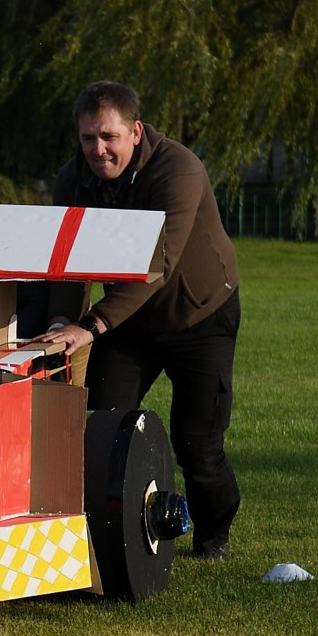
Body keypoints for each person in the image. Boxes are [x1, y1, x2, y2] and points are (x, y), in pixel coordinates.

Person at [26, 81, 242, 560]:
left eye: (108, 137)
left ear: (136, 132)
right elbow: (66, 258)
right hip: (130, 321)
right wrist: (64, 319)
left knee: (197, 443)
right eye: (87, 139)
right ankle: (107, 535)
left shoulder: (178, 170)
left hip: (198, 313)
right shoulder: (73, 178)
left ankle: (213, 536)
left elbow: (157, 265)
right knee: (105, 425)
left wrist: (93, 325)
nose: (97, 150)